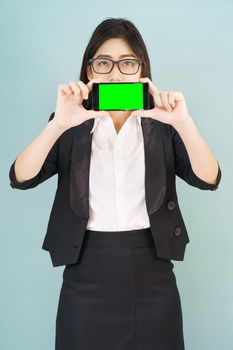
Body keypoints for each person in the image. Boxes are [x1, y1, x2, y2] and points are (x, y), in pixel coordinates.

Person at [9, 17, 221, 350]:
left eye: (127, 63)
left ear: (141, 70)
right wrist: (58, 124)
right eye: (104, 63)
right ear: (90, 70)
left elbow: (210, 178)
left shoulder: (164, 125)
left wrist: (184, 122)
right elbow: (20, 177)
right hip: (86, 273)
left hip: (153, 273)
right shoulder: (70, 123)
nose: (116, 73)